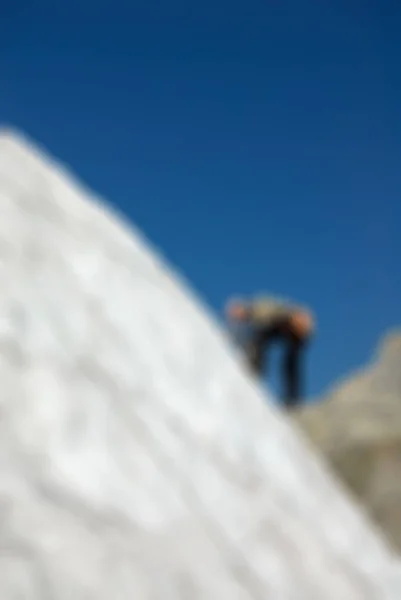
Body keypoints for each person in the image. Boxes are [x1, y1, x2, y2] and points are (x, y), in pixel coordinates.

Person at [225, 295, 315, 409]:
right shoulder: (255, 314)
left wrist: (299, 323)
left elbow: (274, 313)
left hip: (289, 323)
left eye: (236, 314)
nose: (237, 319)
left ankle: (292, 400)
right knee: (261, 343)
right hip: (287, 326)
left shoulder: (259, 308)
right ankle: (256, 371)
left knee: (288, 362)